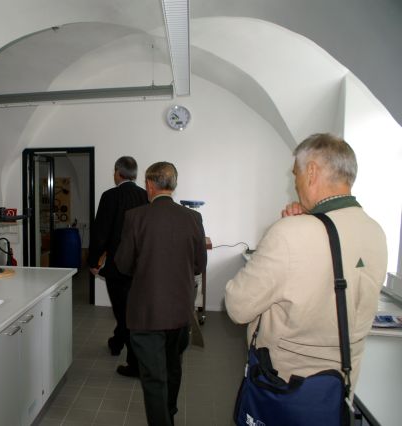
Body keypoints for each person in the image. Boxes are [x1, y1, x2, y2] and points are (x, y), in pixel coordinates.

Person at [225, 133, 387, 391]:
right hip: (340, 389)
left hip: (286, 387)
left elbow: (237, 307)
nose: (295, 184)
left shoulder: (290, 233)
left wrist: (290, 227)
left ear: (311, 172)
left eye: (295, 175)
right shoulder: (375, 231)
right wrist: (309, 218)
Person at [115, 161, 207, 426]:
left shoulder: (135, 217)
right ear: (173, 186)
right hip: (180, 310)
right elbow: (199, 264)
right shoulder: (193, 218)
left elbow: (123, 264)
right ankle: (170, 412)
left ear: (149, 185)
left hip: (147, 312)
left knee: (154, 378)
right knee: (173, 367)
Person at [88, 156, 148, 377]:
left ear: (117, 172)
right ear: (135, 173)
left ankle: (133, 361)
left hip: (117, 266)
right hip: (141, 265)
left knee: (123, 313)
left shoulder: (110, 196)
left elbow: (100, 232)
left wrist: (93, 262)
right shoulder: (146, 196)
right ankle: (116, 342)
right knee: (131, 311)